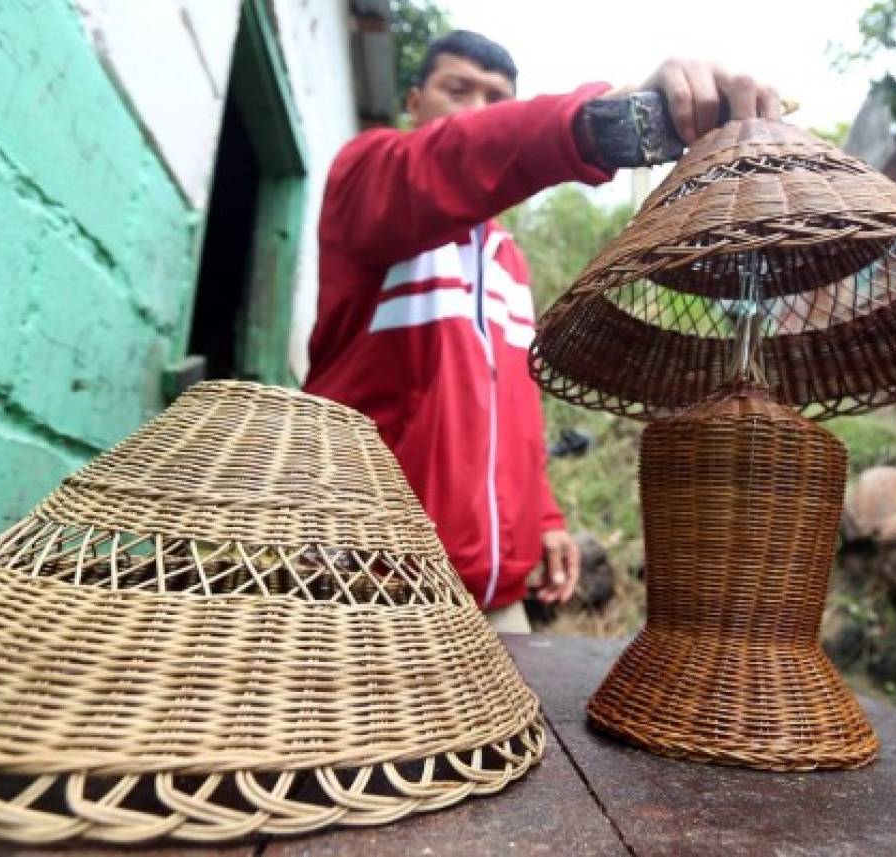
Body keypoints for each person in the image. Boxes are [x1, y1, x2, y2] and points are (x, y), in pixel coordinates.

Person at [304, 31, 780, 631]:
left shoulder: (506, 261)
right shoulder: (368, 182)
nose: (477, 110)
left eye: (496, 98)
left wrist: (545, 518)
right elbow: (450, 158)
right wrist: (602, 121)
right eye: (458, 90)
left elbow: (511, 409)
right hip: (367, 585)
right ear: (415, 101)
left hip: (496, 595)